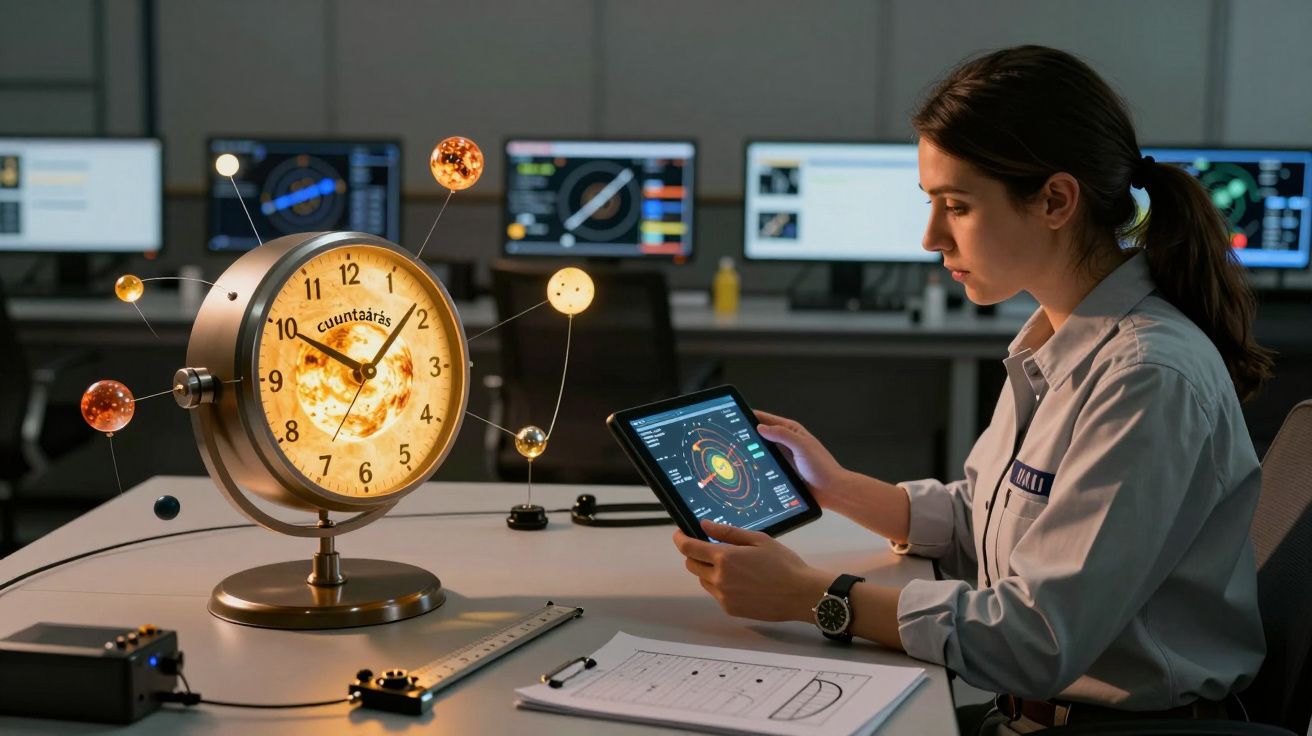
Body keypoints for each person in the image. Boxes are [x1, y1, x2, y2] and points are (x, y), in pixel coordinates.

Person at [673, 45, 1272, 734]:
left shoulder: (1145, 377)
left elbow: (1034, 639)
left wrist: (811, 595)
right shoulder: (1053, 341)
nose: (931, 237)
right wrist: (838, 487)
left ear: (1055, 201)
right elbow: (995, 522)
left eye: (955, 206)